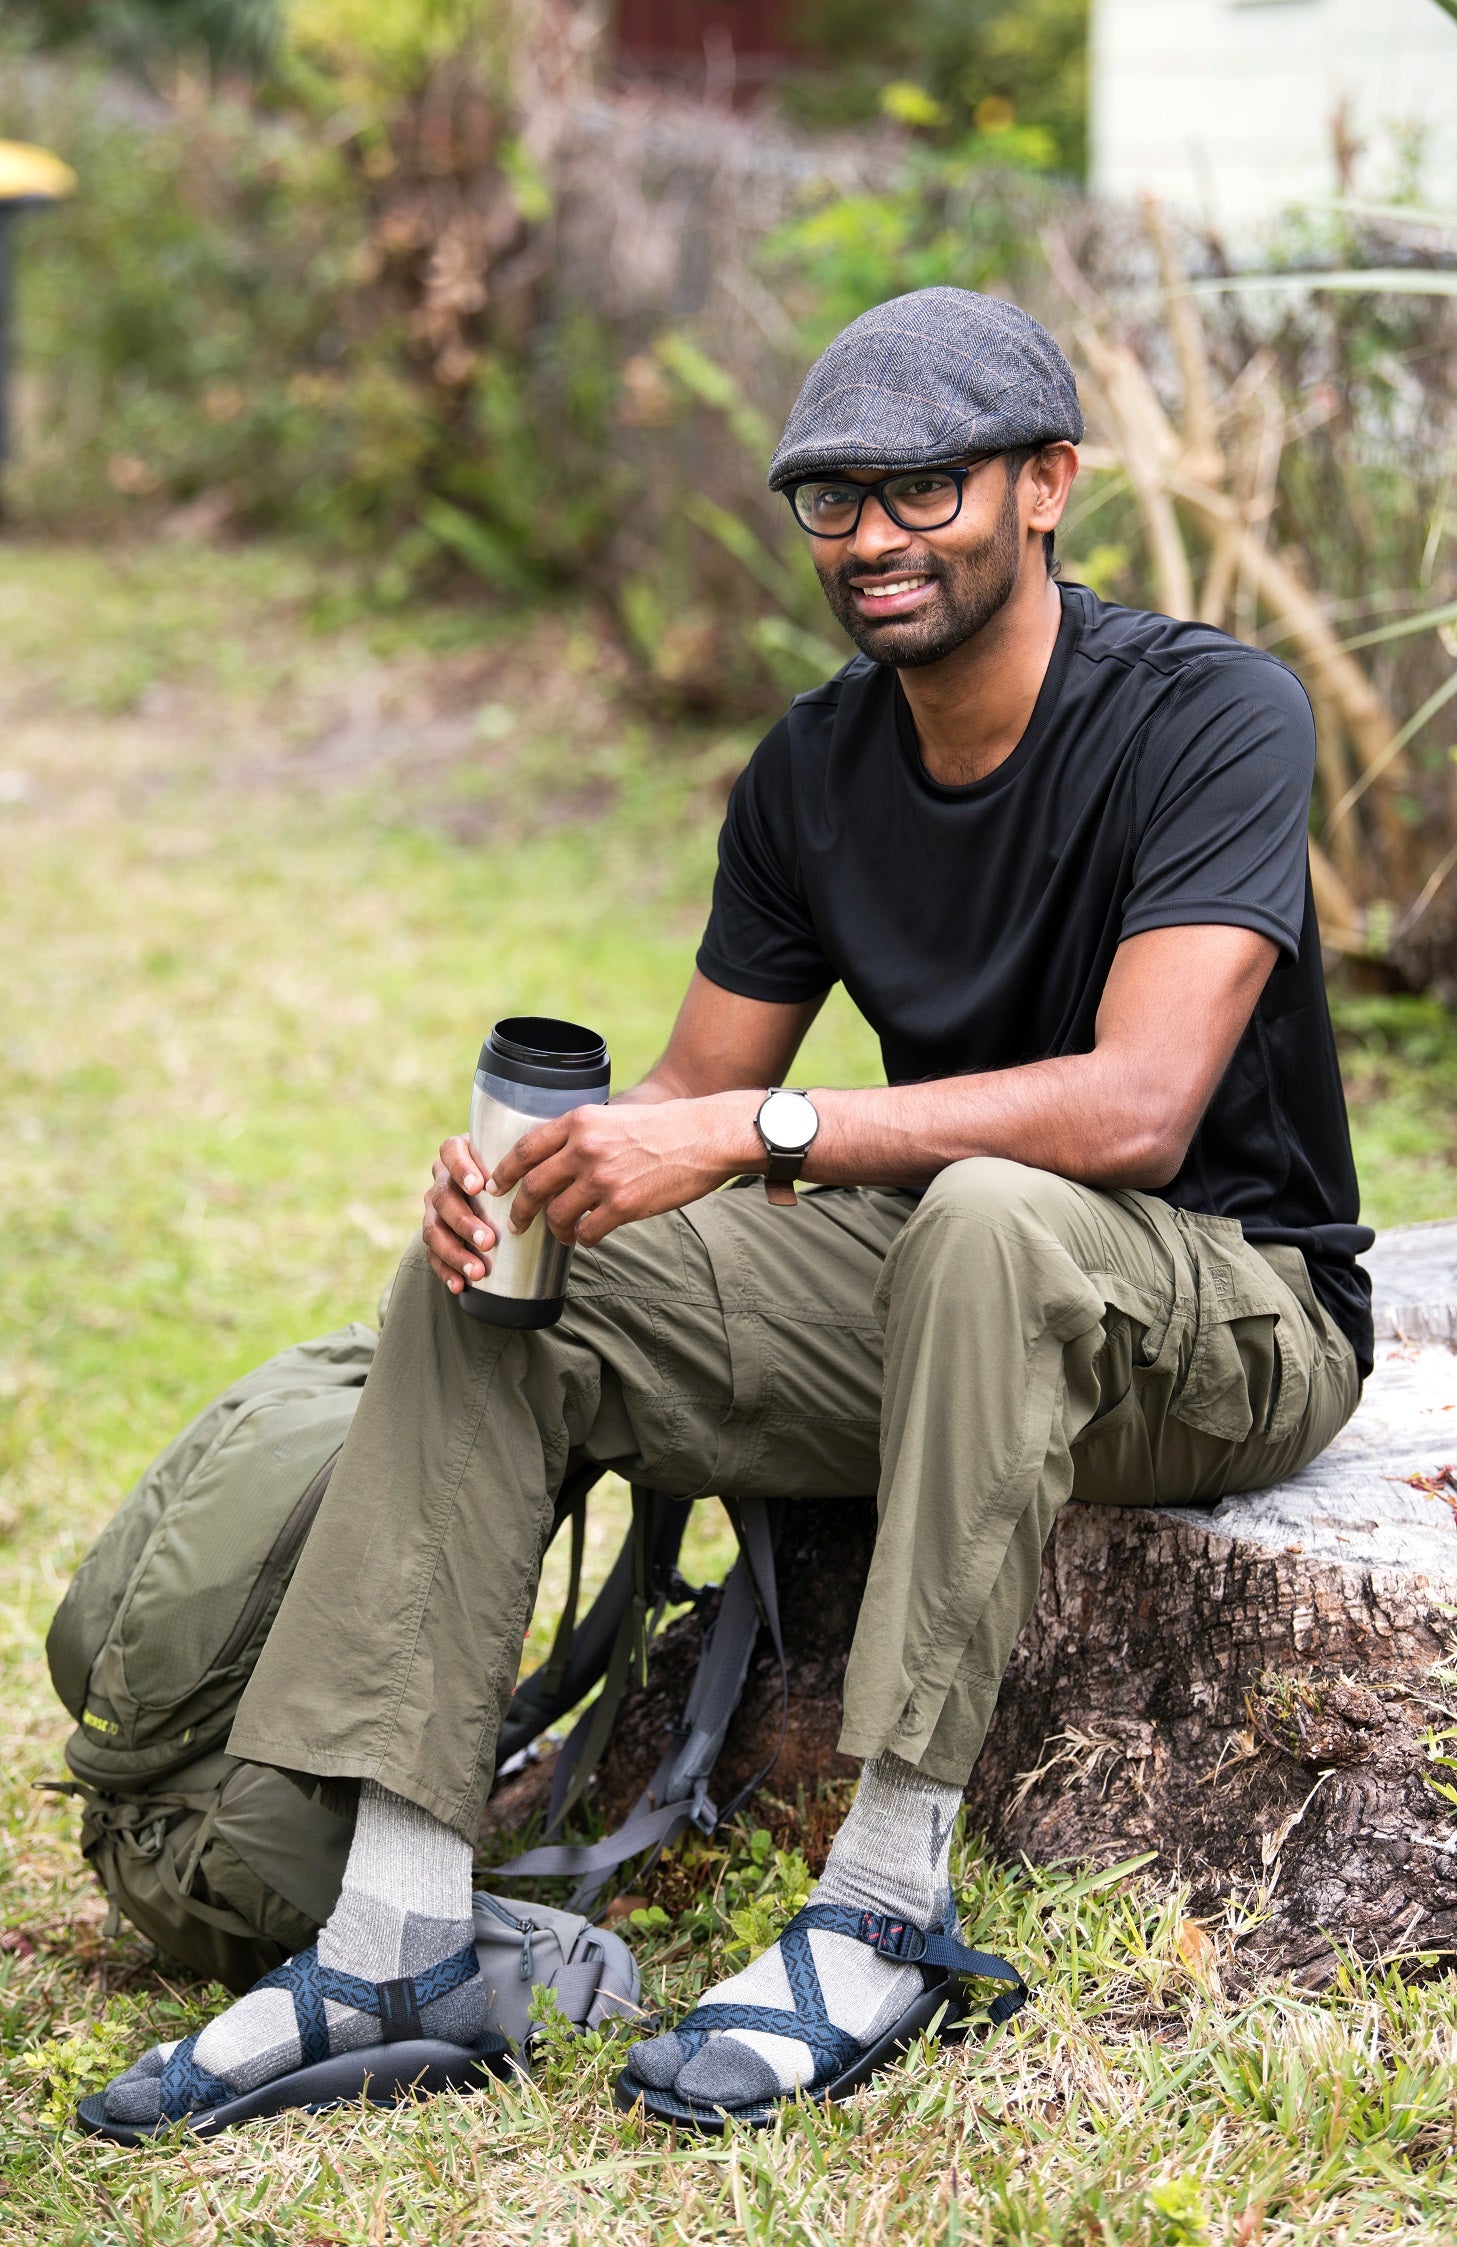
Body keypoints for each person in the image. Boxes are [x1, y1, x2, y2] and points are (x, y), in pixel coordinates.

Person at [99, 286, 1370, 2135]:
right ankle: (393, 1933)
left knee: (998, 1218)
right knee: (521, 1262)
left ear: (1047, 488)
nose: (871, 539)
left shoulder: (1205, 715)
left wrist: (761, 1133)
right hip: (948, 1279)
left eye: (924, 489)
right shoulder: (815, 768)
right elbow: (693, 1099)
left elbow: (1140, 1102)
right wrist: (546, 1174)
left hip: (1224, 1307)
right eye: (832, 499)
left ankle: (883, 1906)